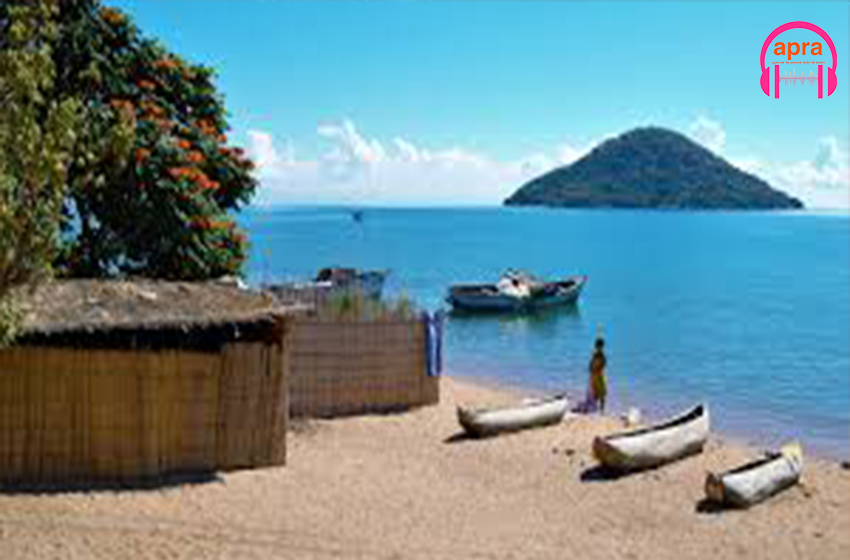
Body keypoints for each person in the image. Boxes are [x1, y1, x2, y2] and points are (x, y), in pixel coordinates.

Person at [588, 337, 608, 413]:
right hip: (595, 375)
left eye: (600, 346)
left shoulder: (601, 355)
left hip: (598, 375)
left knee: (602, 393)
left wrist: (595, 370)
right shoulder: (596, 354)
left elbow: (603, 364)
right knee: (597, 393)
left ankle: (601, 409)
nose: (599, 348)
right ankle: (597, 408)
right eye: (598, 346)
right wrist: (592, 371)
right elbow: (591, 364)